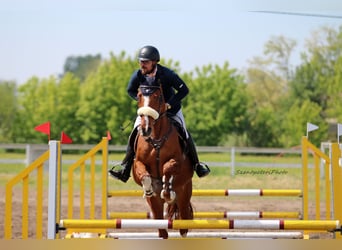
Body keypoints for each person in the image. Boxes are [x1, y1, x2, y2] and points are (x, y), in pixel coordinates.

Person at [109, 45, 210, 183]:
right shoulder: (138, 74)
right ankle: (125, 167)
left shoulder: (167, 74)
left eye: (145, 62)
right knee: (134, 133)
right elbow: (130, 90)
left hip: (170, 111)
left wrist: (169, 104)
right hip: (147, 112)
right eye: (141, 61)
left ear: (154, 62)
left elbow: (184, 90)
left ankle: (197, 165)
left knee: (184, 132)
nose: (142, 64)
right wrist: (142, 102)